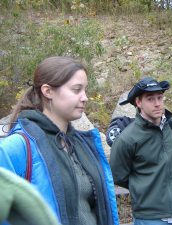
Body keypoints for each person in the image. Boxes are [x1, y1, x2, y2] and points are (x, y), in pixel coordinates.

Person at [0, 56, 119, 225]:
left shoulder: (83, 144)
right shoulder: (17, 147)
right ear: (47, 91)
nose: (85, 97)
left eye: (85, 90)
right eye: (76, 89)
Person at [109, 77, 172, 225]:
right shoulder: (127, 139)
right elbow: (117, 175)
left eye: (160, 98)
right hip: (149, 218)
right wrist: (143, 185)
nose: (157, 104)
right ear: (138, 102)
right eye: (150, 99)